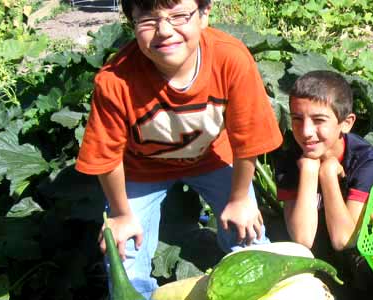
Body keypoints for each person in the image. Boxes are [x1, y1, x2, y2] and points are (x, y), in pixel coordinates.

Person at [75, 0, 283, 297]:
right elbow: (106, 158)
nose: (164, 30)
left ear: (204, 15)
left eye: (179, 16)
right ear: (131, 23)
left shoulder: (231, 59)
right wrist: (121, 215)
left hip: (212, 156)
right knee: (124, 257)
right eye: (148, 20)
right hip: (141, 168)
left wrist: (240, 199)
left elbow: (248, 139)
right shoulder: (115, 80)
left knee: (250, 235)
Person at [274, 70, 373, 299]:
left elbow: (344, 239)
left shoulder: (366, 161)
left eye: (318, 120)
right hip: (313, 255)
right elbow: (302, 239)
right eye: (297, 119)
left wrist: (327, 175)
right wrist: (310, 170)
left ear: (346, 123)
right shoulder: (289, 160)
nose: (306, 132)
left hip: (355, 258)